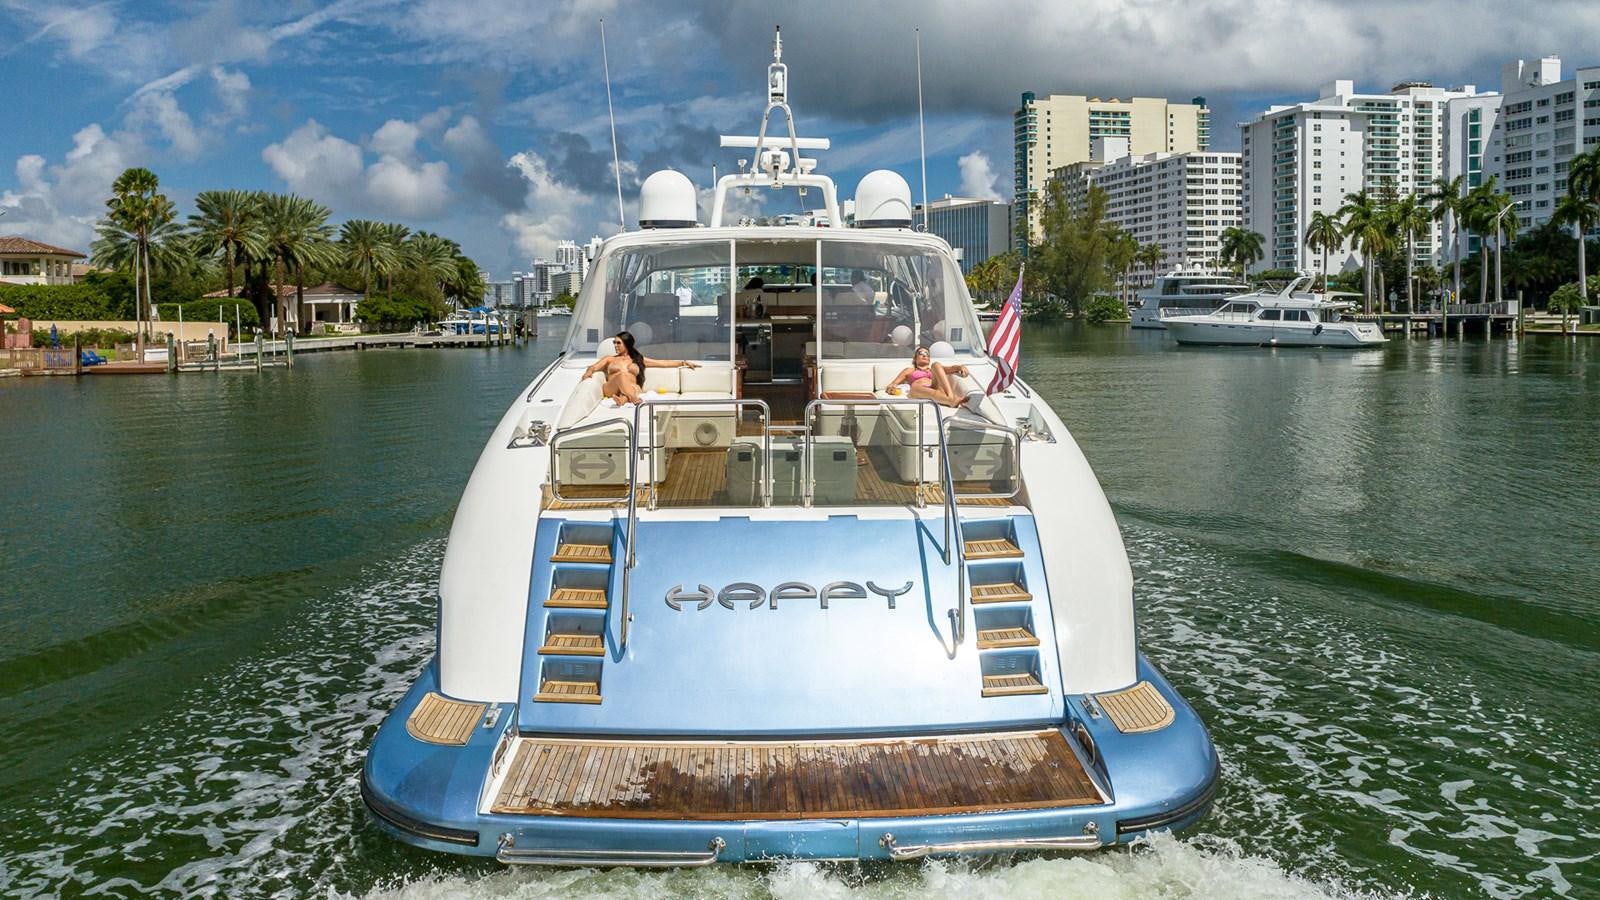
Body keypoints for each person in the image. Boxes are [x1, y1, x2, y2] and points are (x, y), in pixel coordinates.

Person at [582, 330, 700, 406]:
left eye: (618, 343)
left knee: (635, 386)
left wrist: (683, 362)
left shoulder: (638, 359)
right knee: (621, 376)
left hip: (631, 388)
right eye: (614, 342)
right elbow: (593, 367)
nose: (615, 345)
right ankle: (633, 399)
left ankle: (623, 400)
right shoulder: (610, 359)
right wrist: (588, 372)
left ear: (626, 344)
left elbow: (663, 363)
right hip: (611, 388)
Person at [883, 345, 983, 411]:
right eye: (921, 353)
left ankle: (950, 398)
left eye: (927, 354)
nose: (924, 355)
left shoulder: (932, 369)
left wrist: (960, 367)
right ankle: (952, 399)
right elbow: (892, 385)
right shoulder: (910, 370)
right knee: (914, 386)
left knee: (937, 365)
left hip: (934, 387)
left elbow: (951, 369)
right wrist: (892, 389)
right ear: (915, 358)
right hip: (917, 391)